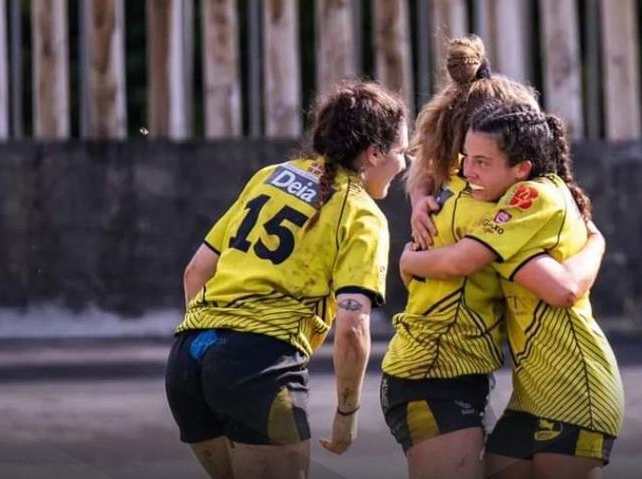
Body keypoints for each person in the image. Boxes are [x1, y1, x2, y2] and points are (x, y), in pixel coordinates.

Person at [380, 35, 607, 479]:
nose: (470, 168)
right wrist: (596, 240)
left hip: (437, 370)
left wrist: (419, 201)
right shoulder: (504, 201)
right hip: (441, 372)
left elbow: (428, 169)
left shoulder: (447, 194)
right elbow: (561, 287)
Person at [165, 80, 408, 479]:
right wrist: (346, 415)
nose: (404, 164)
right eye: (401, 153)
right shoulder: (362, 215)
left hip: (187, 360)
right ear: (375, 153)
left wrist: (216, 350)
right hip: (258, 367)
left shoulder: (270, 176)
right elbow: (352, 327)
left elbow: (196, 271)